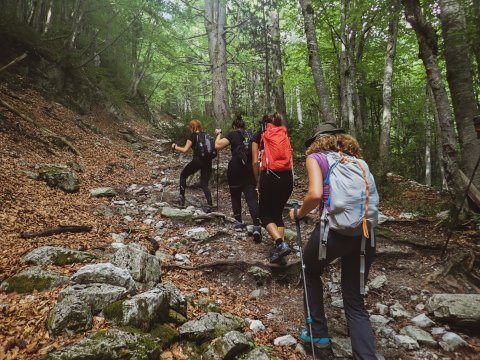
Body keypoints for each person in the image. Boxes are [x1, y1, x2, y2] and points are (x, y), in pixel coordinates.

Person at [289, 123, 377, 359]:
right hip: (365, 235)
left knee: (309, 269)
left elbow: (315, 194)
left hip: (334, 233)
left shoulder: (316, 158)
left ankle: (317, 334)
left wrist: (298, 214)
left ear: (317, 141)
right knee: (355, 300)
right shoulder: (358, 162)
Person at [252, 112, 293, 263]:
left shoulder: (261, 135)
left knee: (264, 215)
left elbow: (255, 162)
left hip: (270, 176)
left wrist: (257, 180)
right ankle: (280, 251)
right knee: (277, 213)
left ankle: (280, 244)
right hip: (287, 177)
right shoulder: (284, 134)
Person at [214, 115, 262, 242]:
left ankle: (238, 222)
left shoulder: (232, 134)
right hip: (249, 167)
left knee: (235, 195)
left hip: (235, 167)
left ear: (234, 126)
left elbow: (218, 146)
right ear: (244, 126)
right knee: (251, 197)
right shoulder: (251, 135)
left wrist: (218, 134)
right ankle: (257, 226)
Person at [171, 119, 213, 211]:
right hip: (208, 161)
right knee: (204, 184)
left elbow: (185, 150)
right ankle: (210, 205)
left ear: (192, 127)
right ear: (199, 126)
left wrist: (175, 147)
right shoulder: (207, 135)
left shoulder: (193, 136)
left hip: (198, 160)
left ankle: (181, 200)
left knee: (183, 175)